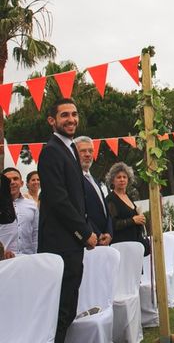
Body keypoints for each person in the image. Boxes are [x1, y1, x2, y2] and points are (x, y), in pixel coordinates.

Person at [38, 98, 97, 343]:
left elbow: (78, 198)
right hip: (60, 244)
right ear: (52, 121)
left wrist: (91, 228)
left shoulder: (70, 148)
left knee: (68, 307)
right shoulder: (51, 151)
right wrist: (84, 232)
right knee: (60, 311)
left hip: (71, 244)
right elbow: (59, 200)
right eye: (64, 115)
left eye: (74, 113)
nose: (71, 119)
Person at [75, 136, 113, 245]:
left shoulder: (95, 180)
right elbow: (79, 213)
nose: (88, 154)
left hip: (105, 240)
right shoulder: (74, 180)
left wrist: (109, 232)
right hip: (89, 241)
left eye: (90, 151)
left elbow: (106, 210)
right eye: (83, 151)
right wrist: (97, 233)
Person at [105, 162, 146, 245]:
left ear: (128, 179)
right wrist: (133, 220)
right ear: (112, 180)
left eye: (124, 177)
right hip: (122, 244)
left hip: (136, 242)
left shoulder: (128, 197)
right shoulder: (111, 199)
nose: (122, 179)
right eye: (118, 177)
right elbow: (113, 224)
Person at [0, 168, 39, 256]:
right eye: (8, 180)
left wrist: (35, 255)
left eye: (15, 179)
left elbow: (36, 234)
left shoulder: (32, 205)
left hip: (27, 259)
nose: (12, 182)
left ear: (21, 183)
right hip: (4, 262)